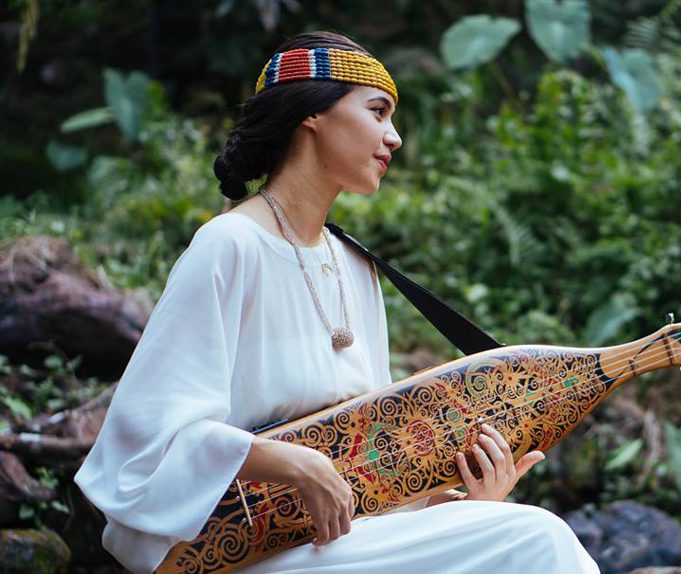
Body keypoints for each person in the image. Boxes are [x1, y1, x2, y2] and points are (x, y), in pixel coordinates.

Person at [75, 30, 599, 574]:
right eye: (377, 112)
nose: (394, 137)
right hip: (235, 552)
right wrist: (293, 464)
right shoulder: (229, 246)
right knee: (538, 537)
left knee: (516, 534)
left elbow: (368, 468)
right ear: (313, 113)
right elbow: (145, 441)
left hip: (334, 545)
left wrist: (462, 505)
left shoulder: (354, 266)